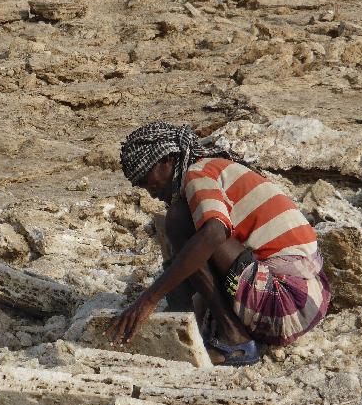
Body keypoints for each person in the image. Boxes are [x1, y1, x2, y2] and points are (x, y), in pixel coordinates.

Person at [106, 121, 331, 365]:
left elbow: (214, 234)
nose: (149, 191)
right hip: (310, 301)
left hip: (287, 303)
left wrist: (148, 300)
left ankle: (234, 339)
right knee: (178, 233)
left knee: (179, 220)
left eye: (146, 179)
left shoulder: (198, 172)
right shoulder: (217, 169)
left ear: (167, 160)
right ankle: (196, 325)